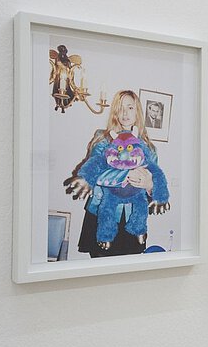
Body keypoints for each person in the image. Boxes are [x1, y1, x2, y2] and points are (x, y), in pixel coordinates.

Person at [64, 90, 170, 257]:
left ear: (137, 111)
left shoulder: (149, 148)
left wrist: (149, 186)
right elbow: (95, 173)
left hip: (133, 218)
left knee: (129, 270)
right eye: (121, 108)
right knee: (100, 267)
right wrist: (125, 176)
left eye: (130, 107)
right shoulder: (103, 139)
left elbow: (153, 187)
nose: (125, 113)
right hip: (102, 213)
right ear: (115, 112)